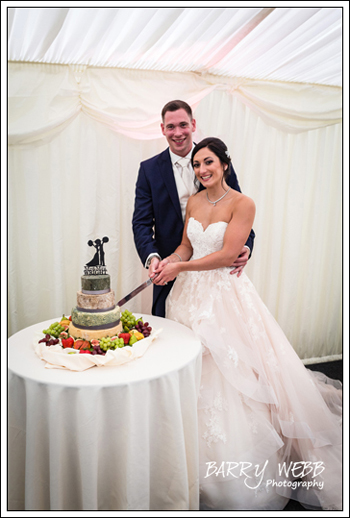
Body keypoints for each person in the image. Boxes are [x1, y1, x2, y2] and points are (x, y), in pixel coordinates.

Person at [153, 137, 342, 511]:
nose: (201, 170)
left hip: (224, 299)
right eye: (196, 165)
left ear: (224, 163)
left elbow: (226, 255)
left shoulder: (243, 203)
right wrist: (166, 262)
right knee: (193, 370)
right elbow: (186, 248)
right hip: (187, 298)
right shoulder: (193, 201)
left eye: (208, 162)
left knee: (232, 375)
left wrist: (181, 267)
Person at [132, 100, 255, 317]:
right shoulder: (148, 169)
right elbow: (141, 222)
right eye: (170, 126)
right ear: (162, 129)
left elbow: (237, 205)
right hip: (170, 260)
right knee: (171, 327)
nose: (177, 132)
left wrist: (244, 245)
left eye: (183, 125)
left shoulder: (218, 160)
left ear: (193, 124)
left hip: (218, 269)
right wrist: (155, 258)